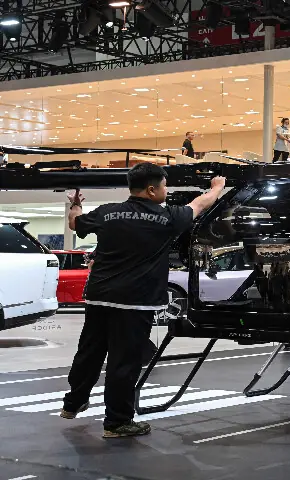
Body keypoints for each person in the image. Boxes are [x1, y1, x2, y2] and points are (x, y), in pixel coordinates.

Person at [60, 162, 226, 438]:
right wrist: (217, 188)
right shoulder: (167, 218)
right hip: (135, 302)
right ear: (151, 190)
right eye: (164, 186)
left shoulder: (108, 213)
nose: (166, 190)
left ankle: (73, 403)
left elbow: (75, 222)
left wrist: (75, 203)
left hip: (100, 297)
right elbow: (199, 205)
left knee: (89, 354)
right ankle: (117, 422)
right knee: (124, 363)